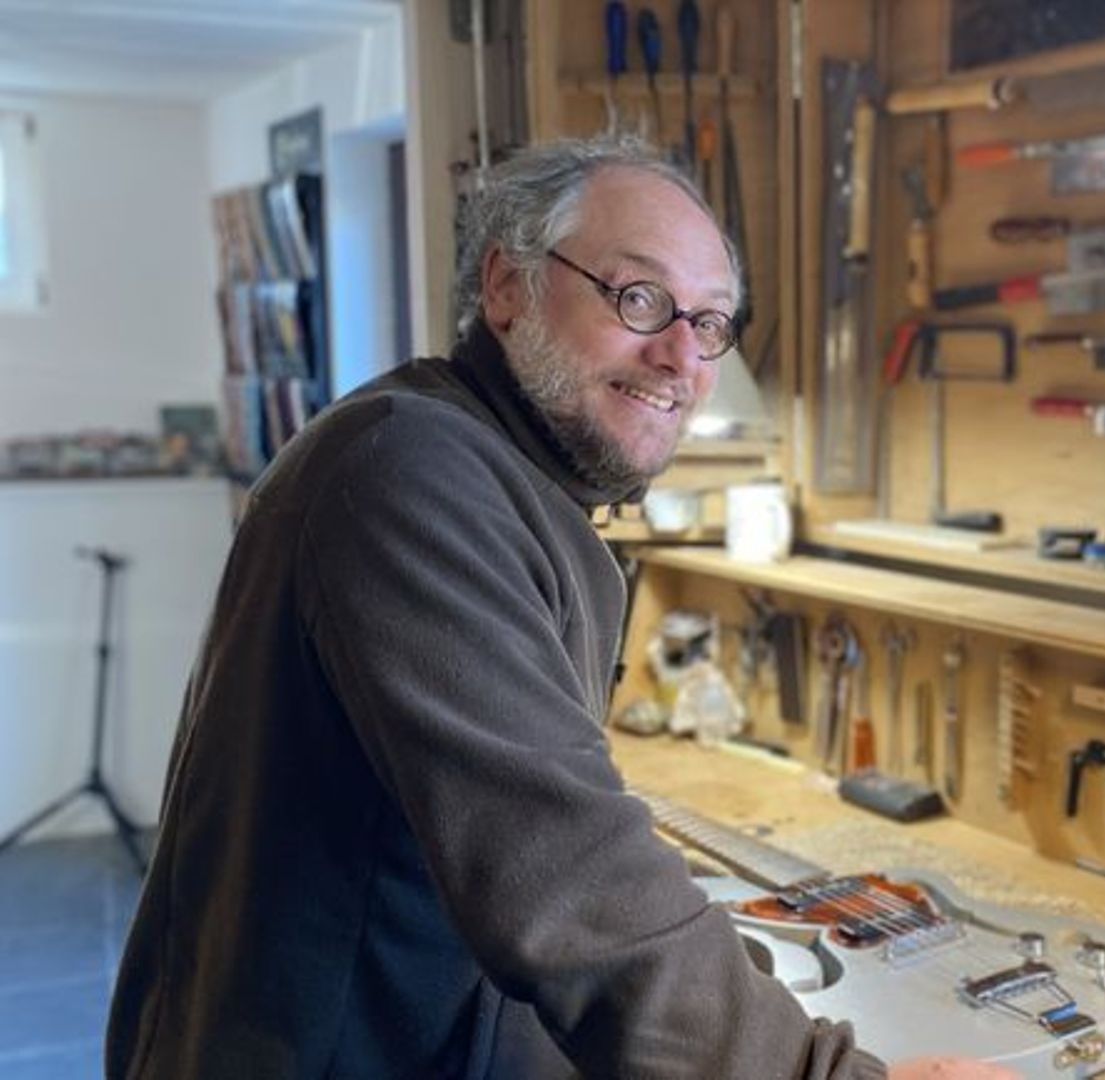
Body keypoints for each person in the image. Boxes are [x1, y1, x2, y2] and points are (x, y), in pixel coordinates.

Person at [107, 136, 1015, 1080]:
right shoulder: (407, 473)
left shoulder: (508, 483)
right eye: (639, 299)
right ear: (508, 287)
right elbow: (570, 881)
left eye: (710, 324)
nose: (680, 357)